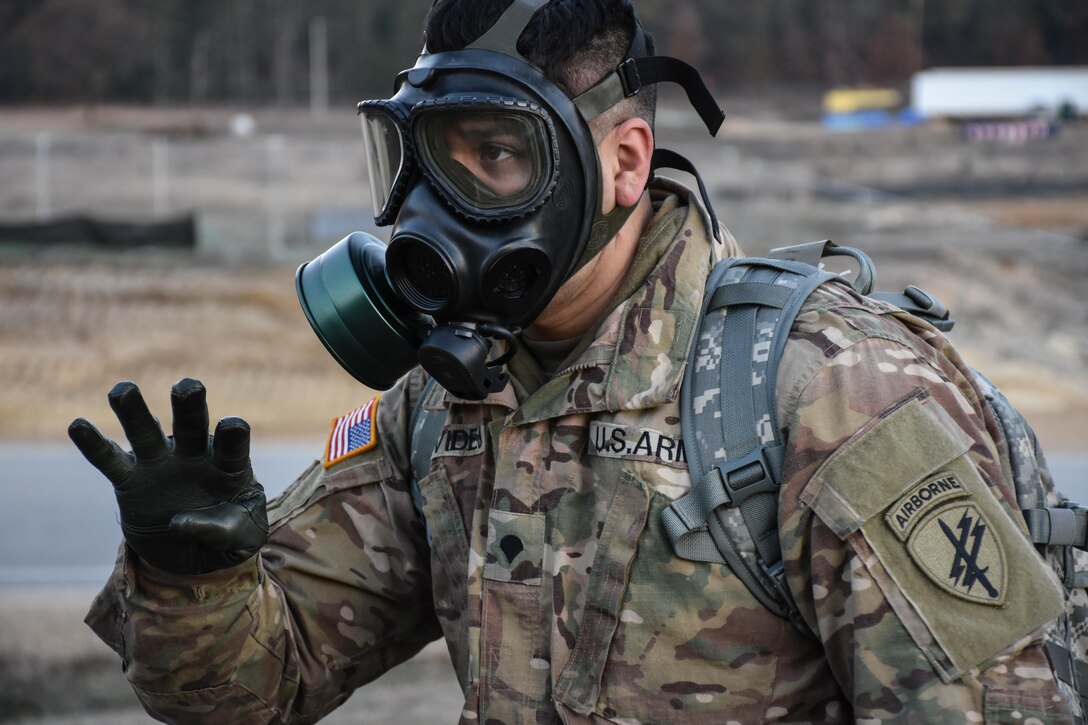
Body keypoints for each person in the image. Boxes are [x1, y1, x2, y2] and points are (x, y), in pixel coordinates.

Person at [70, 0, 1074, 722]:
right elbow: (250, 689)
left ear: (624, 163)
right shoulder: (441, 406)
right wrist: (190, 575)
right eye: (416, 158)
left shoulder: (827, 394)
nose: (433, 209)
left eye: (496, 156)